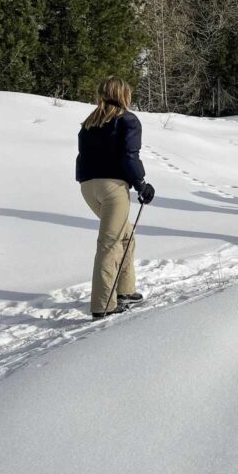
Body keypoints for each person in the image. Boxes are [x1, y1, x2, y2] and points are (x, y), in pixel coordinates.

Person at [76, 78, 155, 319]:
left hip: (88, 186)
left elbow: (83, 156)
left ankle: (125, 290)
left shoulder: (90, 122)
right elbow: (129, 156)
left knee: (126, 237)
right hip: (113, 188)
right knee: (109, 244)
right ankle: (103, 305)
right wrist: (141, 184)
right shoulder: (127, 119)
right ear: (123, 95)